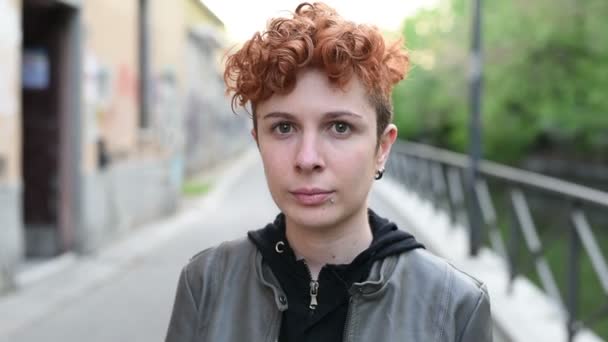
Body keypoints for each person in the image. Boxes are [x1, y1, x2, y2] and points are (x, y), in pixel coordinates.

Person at [165, 2, 492, 341]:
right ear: (258, 142)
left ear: (382, 147)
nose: (307, 159)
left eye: (339, 127)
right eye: (283, 128)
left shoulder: (452, 305)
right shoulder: (206, 283)